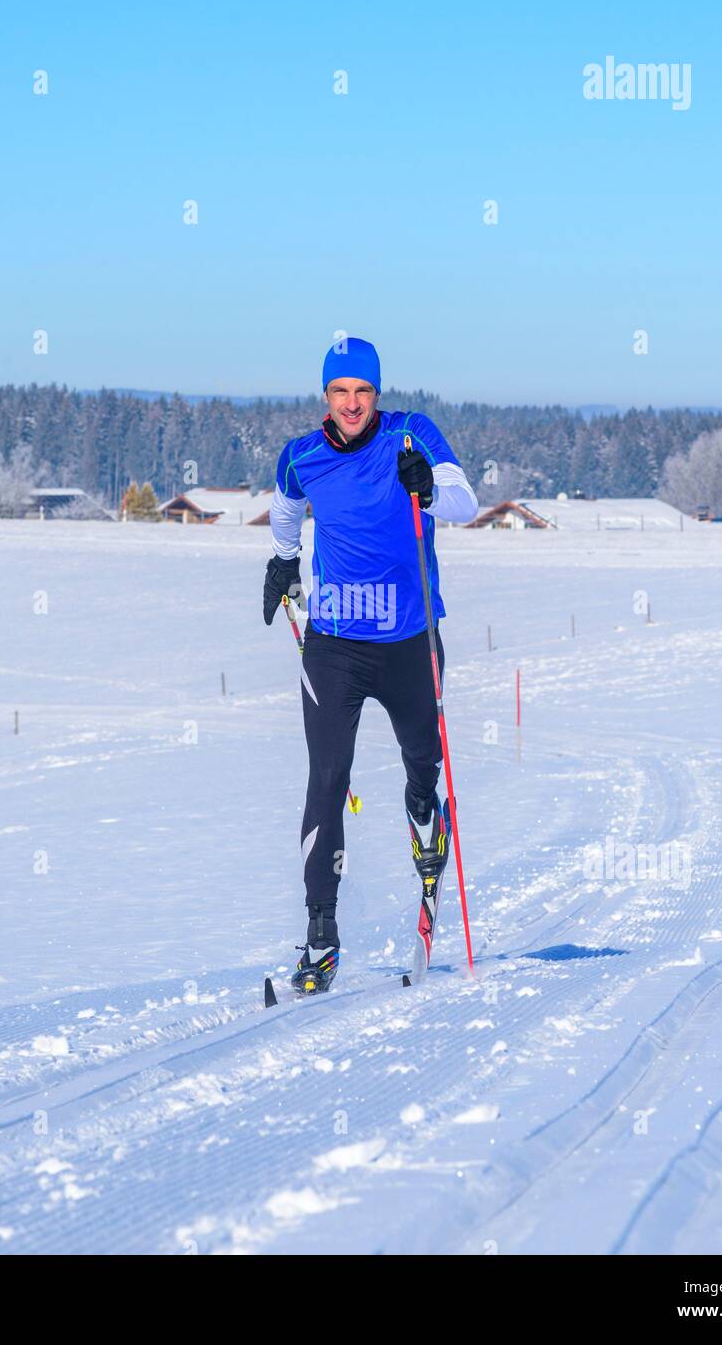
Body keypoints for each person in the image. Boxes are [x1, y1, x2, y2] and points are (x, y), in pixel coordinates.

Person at [264, 338, 479, 994]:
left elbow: (464, 501)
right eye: (339, 392)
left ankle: (423, 813)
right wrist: (283, 561)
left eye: (362, 392)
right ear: (324, 396)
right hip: (333, 644)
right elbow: (284, 506)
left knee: (424, 765)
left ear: (376, 395)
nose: (352, 404)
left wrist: (429, 490)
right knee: (327, 777)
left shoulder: (411, 436)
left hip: (410, 641)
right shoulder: (302, 456)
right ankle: (321, 928)